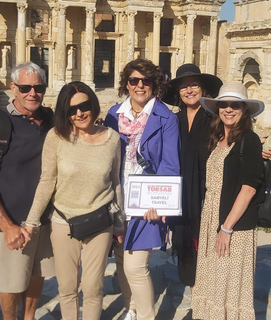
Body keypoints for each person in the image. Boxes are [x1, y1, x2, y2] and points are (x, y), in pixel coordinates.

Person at [163, 64, 271, 290]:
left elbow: (235, 143)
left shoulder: (213, 118)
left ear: (203, 89)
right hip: (181, 195)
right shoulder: (172, 121)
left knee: (207, 253)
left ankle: (203, 302)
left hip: (207, 197)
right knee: (185, 250)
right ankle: (197, 299)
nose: (189, 90)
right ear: (178, 92)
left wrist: (260, 149)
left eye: (194, 84)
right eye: (183, 87)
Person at [23, 81, 123, 320]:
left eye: (84, 106)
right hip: (63, 222)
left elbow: (115, 181)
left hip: (100, 221)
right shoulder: (56, 137)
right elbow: (47, 181)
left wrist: (119, 223)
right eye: (71, 109)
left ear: (94, 105)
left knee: (93, 286)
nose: (79, 113)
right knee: (67, 287)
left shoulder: (112, 139)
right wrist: (31, 221)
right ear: (64, 113)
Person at [0, 61, 54, 320]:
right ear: (13, 88)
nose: (33, 93)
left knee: (37, 275)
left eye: (38, 87)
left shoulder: (51, 120)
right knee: (11, 282)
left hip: (45, 219)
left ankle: (29, 318)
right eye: (25, 87)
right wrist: (7, 226)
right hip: (11, 220)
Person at [105, 58, 180, 320]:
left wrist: (160, 203)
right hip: (117, 198)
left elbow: (170, 164)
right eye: (133, 80)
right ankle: (131, 308)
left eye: (145, 80)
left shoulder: (166, 118)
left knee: (137, 265)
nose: (139, 86)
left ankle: (146, 316)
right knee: (123, 260)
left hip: (147, 201)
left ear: (154, 84)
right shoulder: (114, 114)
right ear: (126, 84)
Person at [191, 82, 265, 319]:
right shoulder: (217, 139)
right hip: (212, 218)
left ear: (244, 110)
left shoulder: (249, 140)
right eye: (224, 105)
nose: (229, 109)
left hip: (233, 225)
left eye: (235, 105)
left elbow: (249, 189)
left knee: (228, 285)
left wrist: (226, 228)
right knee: (213, 281)